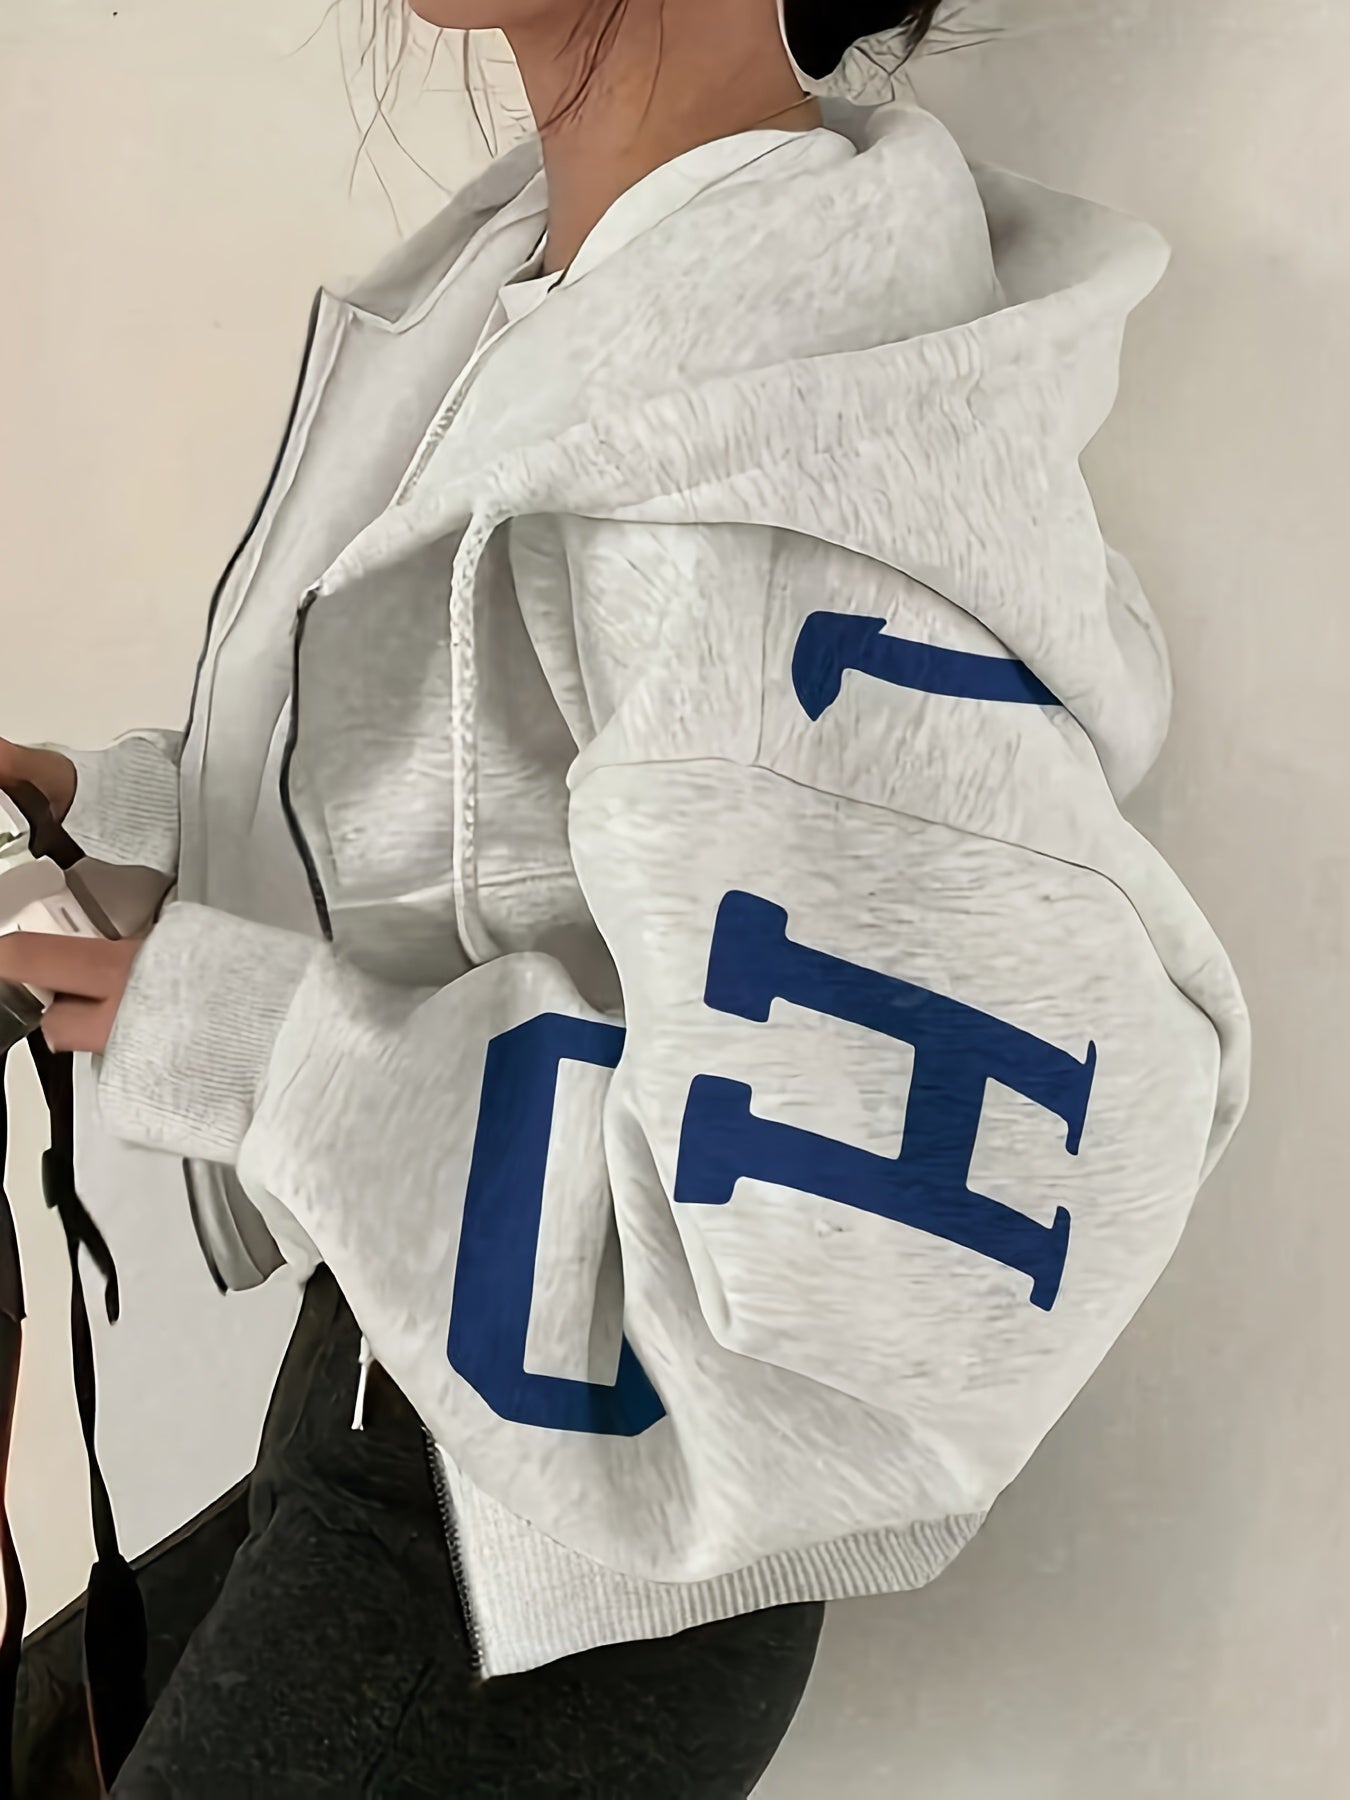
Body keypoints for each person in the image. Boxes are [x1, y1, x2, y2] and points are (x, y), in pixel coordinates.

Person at [1, 0, 1251, 1791]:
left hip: (553, 1552)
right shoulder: (581, 285)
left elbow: (874, 1270)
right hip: (437, 1423)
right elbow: (508, 826)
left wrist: (274, 1050)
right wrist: (126, 824)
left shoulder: (760, 411)